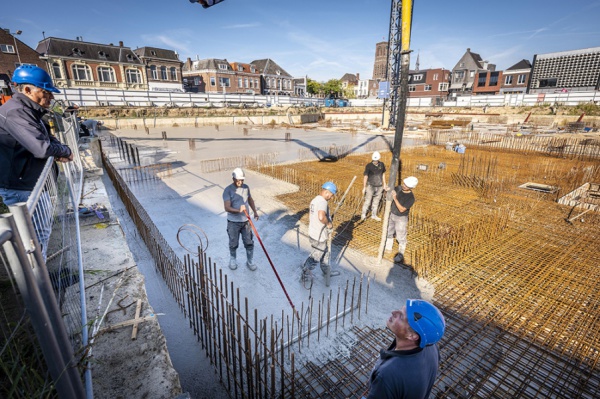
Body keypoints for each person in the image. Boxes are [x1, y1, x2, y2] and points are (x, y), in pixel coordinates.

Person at [365, 299, 445, 399]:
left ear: (412, 336)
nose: (394, 312)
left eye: (401, 316)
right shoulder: (431, 346)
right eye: (400, 309)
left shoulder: (387, 375)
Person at [302, 182, 340, 282]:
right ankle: (305, 275)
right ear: (327, 192)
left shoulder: (315, 200)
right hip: (319, 236)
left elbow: (312, 216)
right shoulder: (323, 202)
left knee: (325, 254)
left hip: (314, 233)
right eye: (331, 195)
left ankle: (326, 272)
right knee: (315, 257)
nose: (331, 198)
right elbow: (321, 217)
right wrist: (328, 224)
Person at [223, 167, 259, 271]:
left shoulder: (246, 188)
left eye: (242, 180)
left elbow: (250, 199)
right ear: (233, 178)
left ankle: (250, 260)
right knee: (233, 242)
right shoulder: (228, 190)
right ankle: (233, 259)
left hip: (246, 221)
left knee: (249, 242)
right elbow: (227, 207)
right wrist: (238, 209)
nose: (240, 182)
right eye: (238, 180)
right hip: (233, 222)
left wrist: (255, 212)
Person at [385, 176, 418, 264]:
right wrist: (387, 189)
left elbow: (402, 209)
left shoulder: (411, 198)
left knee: (400, 236)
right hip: (392, 214)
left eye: (406, 185)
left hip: (401, 218)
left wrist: (395, 198)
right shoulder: (399, 188)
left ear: (411, 187)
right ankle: (388, 246)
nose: (403, 186)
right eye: (404, 184)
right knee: (389, 231)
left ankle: (400, 253)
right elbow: (391, 190)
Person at [361, 151, 388, 221]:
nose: (375, 161)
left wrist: (384, 184)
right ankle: (363, 215)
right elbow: (365, 176)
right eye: (374, 160)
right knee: (367, 201)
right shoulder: (369, 166)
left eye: (376, 160)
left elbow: (383, 174)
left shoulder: (382, 165)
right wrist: (364, 187)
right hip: (370, 186)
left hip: (379, 186)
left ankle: (374, 215)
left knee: (376, 202)